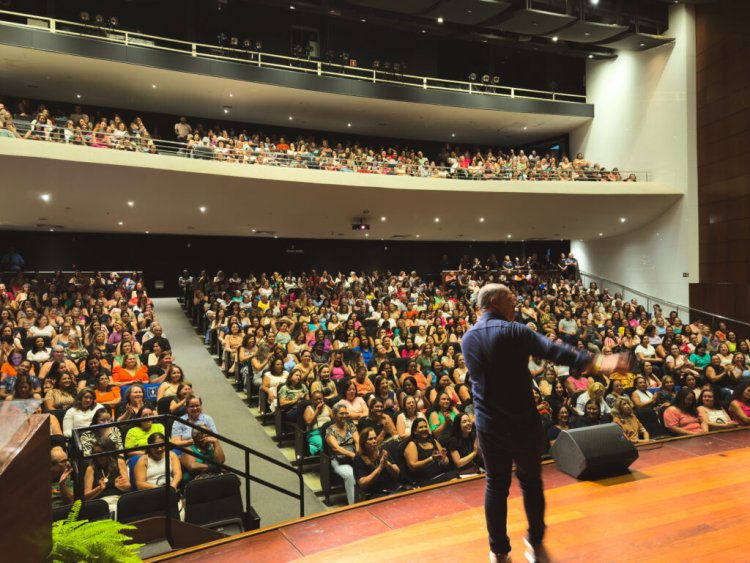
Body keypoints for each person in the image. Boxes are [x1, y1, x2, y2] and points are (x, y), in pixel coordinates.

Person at [461, 283, 628, 563]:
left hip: (489, 425)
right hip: (523, 422)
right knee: (530, 482)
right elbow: (555, 351)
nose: (517, 304)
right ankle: (535, 543)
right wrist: (601, 362)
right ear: (496, 301)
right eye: (512, 299)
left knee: (495, 484)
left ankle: (498, 551)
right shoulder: (516, 331)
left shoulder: (468, 338)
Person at [83, 437, 130, 514]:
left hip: (118, 500)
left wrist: (119, 486)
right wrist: (99, 488)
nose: (97, 457)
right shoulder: (91, 468)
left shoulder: (119, 461)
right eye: (95, 453)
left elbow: (128, 487)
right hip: (100, 503)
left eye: (100, 453)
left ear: (109, 453)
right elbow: (86, 497)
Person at [325, 403, 359, 505]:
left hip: (354, 456)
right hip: (339, 461)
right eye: (341, 414)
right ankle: (353, 505)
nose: (344, 416)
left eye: (346, 413)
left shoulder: (351, 426)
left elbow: (357, 441)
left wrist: (357, 454)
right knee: (349, 474)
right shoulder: (330, 430)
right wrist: (352, 455)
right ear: (335, 415)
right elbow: (336, 448)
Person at [353, 426, 400, 499]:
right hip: (375, 493)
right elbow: (362, 484)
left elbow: (397, 473)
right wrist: (380, 468)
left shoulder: (383, 451)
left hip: (393, 488)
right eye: (370, 439)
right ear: (363, 442)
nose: (374, 441)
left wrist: (387, 463)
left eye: (375, 438)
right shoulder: (358, 458)